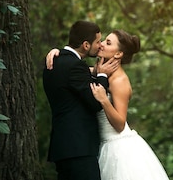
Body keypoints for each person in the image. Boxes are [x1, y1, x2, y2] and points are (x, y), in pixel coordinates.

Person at [42, 20, 120, 180]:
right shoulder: (75, 66)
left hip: (63, 148)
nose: (100, 45)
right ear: (85, 45)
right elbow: (96, 102)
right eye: (98, 41)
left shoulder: (54, 62)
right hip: (78, 148)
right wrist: (103, 76)